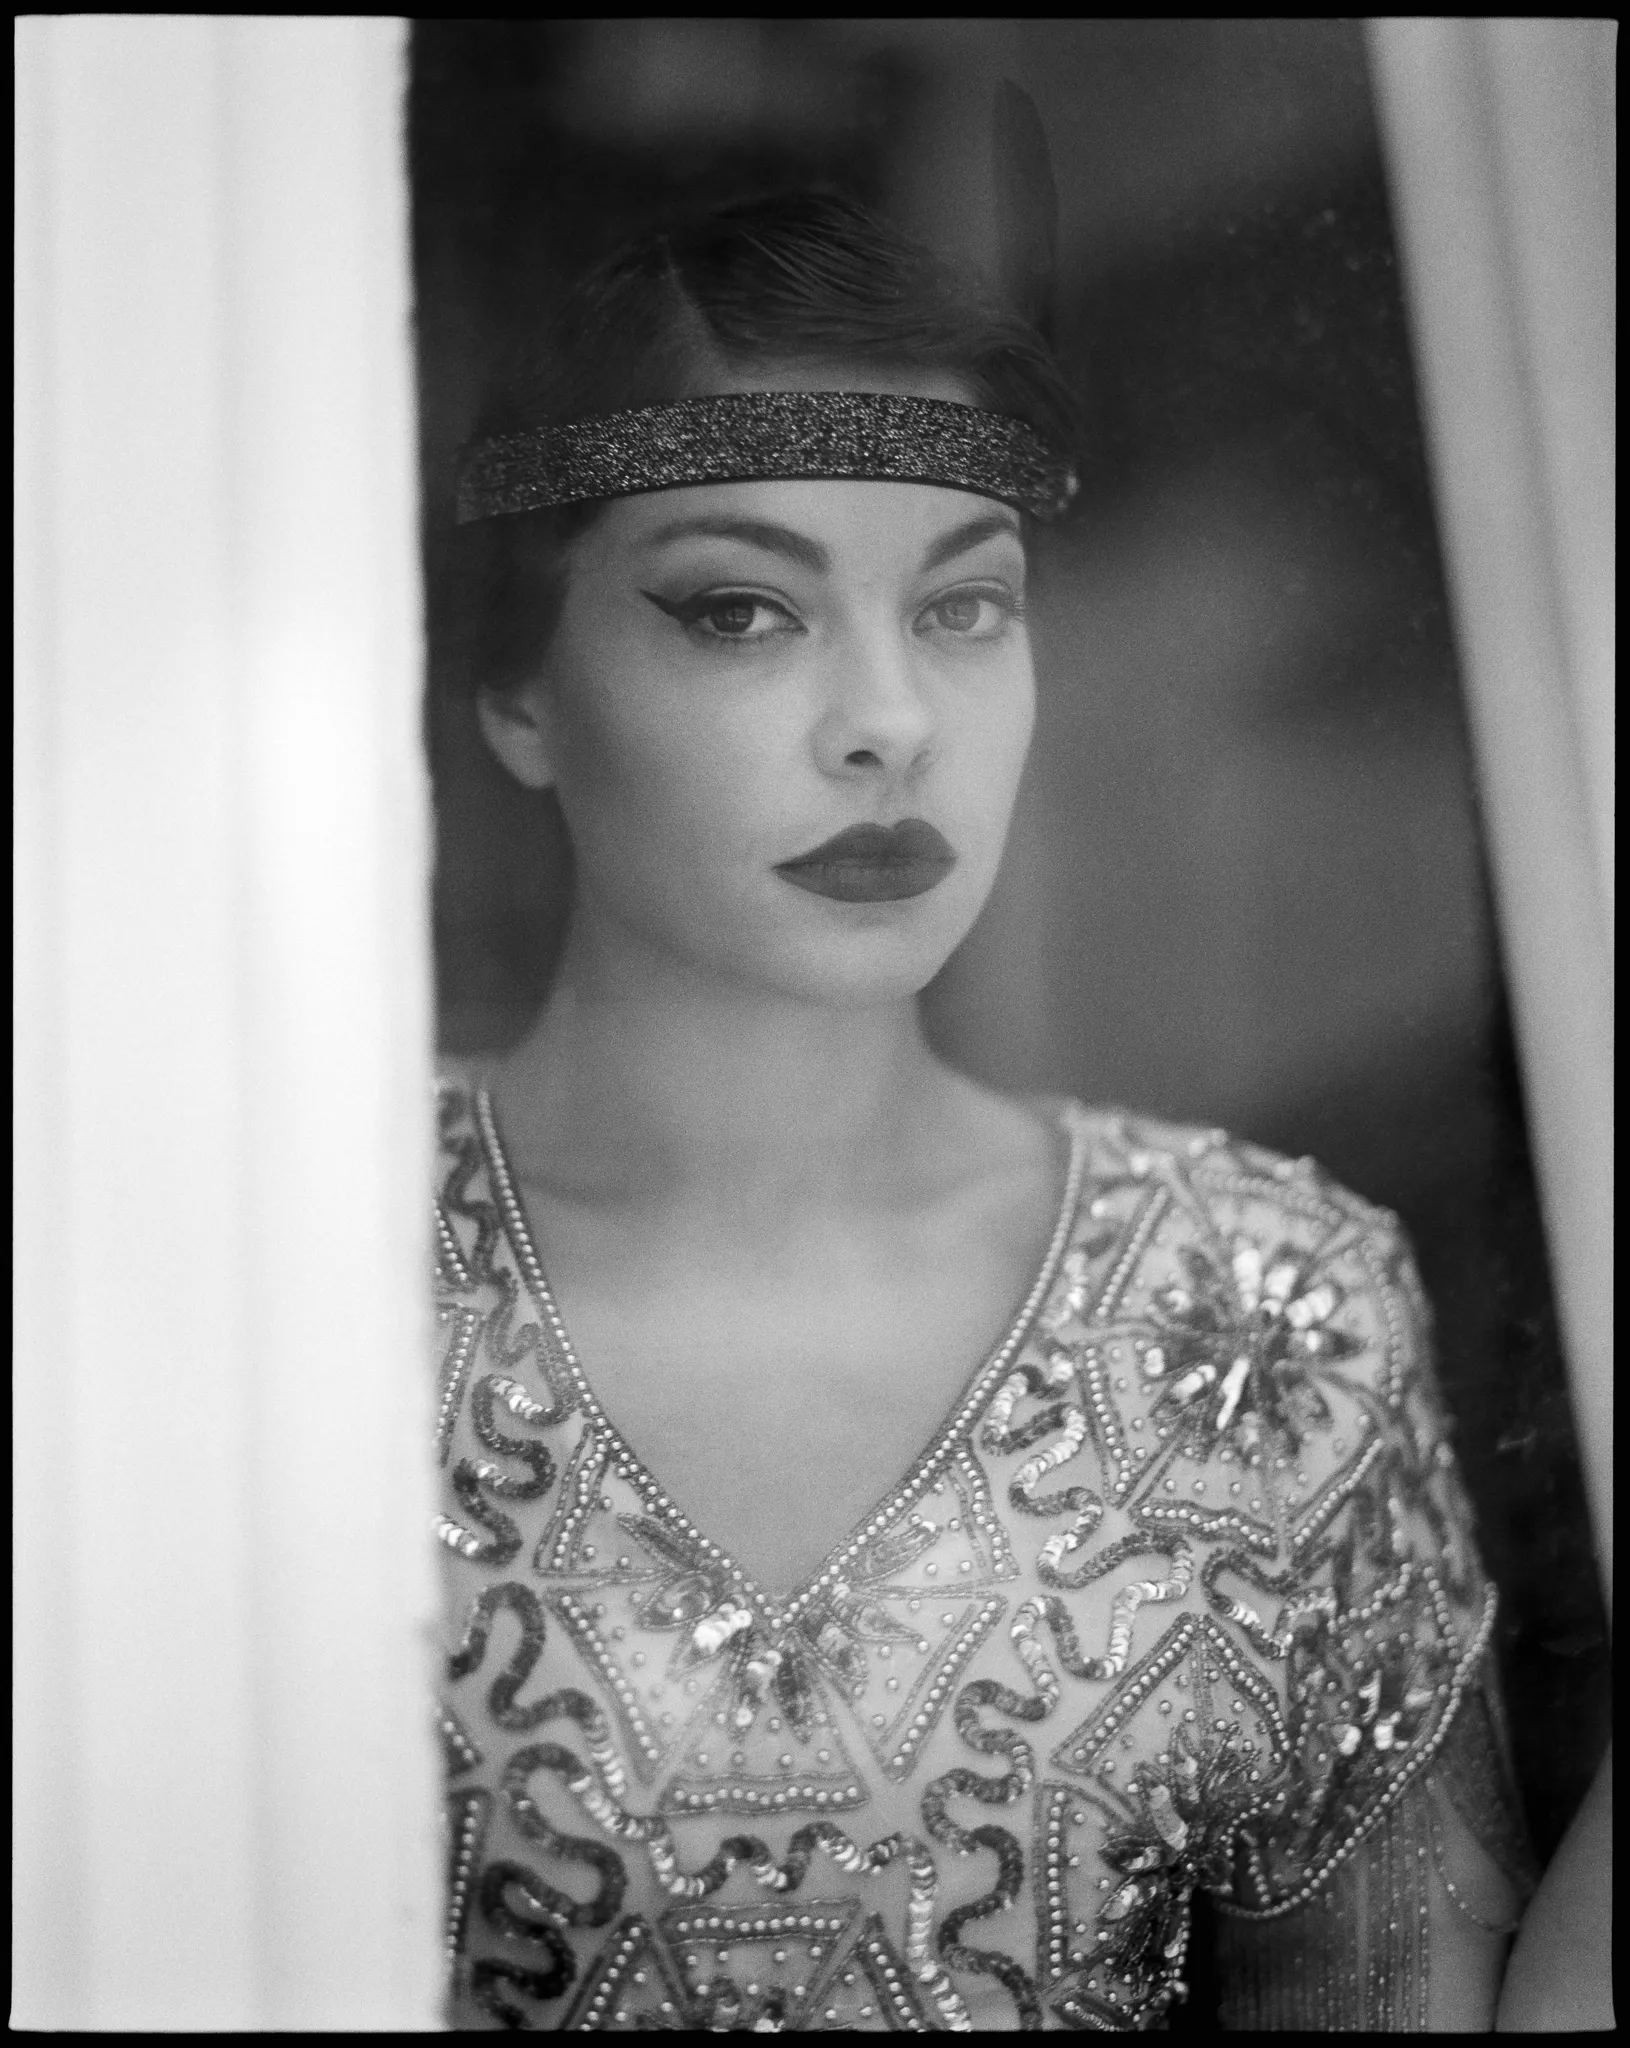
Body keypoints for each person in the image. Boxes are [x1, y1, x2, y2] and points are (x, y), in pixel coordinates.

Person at [430, 190, 1535, 2030]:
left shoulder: (1262, 1311)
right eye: (741, 609)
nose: (890, 720)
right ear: (516, 685)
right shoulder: (283, 1275)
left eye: (963, 605)